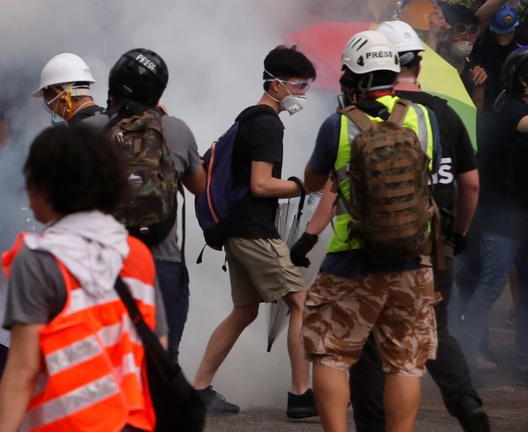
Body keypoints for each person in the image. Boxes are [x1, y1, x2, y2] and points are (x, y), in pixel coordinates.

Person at [331, 21, 488, 431]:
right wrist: (460, 234)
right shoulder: (442, 115)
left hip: (368, 245)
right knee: (430, 329)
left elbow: (337, 182)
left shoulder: (363, 113)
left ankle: (372, 423)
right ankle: (465, 400)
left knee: (367, 343)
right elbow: (470, 183)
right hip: (432, 243)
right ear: (418, 62)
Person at [295, 30, 440, 432]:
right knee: (405, 363)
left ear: (352, 77)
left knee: (330, 355)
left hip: (350, 258)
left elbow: (312, 181)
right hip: (411, 258)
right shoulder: (423, 118)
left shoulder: (336, 125)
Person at [0, 124, 160, 432]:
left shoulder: (36, 259)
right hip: (131, 421)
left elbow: (22, 369)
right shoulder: (136, 254)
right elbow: (156, 346)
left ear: (46, 186)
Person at [191, 45, 317, 419]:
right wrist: (302, 186)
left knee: (244, 310)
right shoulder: (267, 124)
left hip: (236, 229)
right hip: (254, 232)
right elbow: (261, 185)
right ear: (276, 85)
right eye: (299, 86)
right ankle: (300, 395)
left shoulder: (247, 119)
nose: (303, 94)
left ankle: (198, 389)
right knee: (301, 304)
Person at [102, 49, 205, 365]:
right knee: (161, 361)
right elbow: (199, 186)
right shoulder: (175, 130)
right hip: (161, 261)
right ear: (159, 92)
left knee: (109, 359)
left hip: (107, 259)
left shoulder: (93, 128)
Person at [460, 47, 528, 379]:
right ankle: (466, 353)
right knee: (491, 284)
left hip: (521, 214)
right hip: (500, 216)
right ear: (524, 80)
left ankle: (525, 359)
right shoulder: (510, 110)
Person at [464, 0, 521, 112]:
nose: (507, 7)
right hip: (477, 100)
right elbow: (479, 17)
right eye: (502, 2)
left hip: (507, 111)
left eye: (512, 1)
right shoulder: (481, 35)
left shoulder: (523, 37)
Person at [32, 52, 101, 124]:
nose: (53, 112)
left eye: (49, 105)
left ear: (64, 100)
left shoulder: (73, 133)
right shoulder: (111, 119)